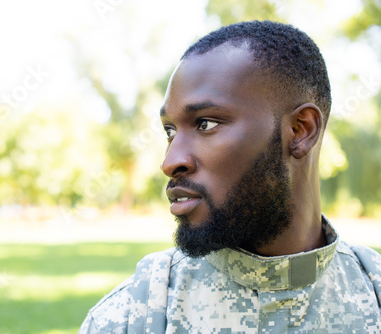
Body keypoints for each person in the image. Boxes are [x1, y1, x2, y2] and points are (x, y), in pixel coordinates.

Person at [79, 20, 381, 333]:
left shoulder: (374, 296)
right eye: (170, 131)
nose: (170, 162)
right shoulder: (130, 317)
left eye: (206, 124)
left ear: (300, 130)